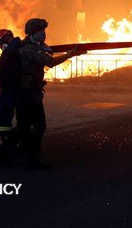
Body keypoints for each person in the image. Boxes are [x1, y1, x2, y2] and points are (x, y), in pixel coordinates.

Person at [18, 18, 86, 170]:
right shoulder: (29, 48)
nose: (43, 34)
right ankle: (32, 160)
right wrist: (70, 54)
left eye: (44, 31)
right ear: (33, 33)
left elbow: (47, 51)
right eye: (40, 31)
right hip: (28, 94)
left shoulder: (35, 45)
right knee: (38, 126)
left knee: (25, 125)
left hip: (29, 92)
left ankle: (17, 151)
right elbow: (50, 62)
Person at [0, 28, 22, 166]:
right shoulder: (13, 49)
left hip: (12, 89)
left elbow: (10, 71)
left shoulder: (14, 49)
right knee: (4, 118)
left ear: (6, 39)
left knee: (3, 116)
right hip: (9, 89)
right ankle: (8, 146)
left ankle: (8, 148)